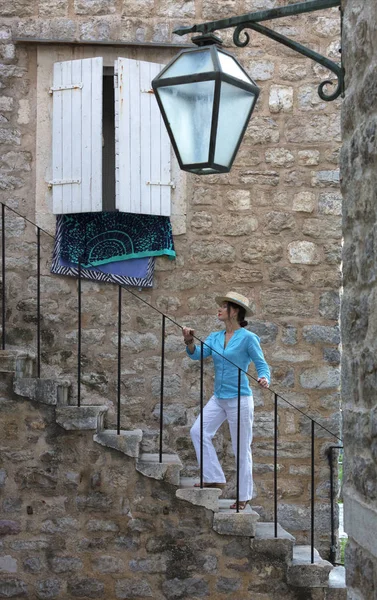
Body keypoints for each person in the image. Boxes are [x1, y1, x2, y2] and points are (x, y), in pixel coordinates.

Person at [182, 292, 270, 510]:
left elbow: (261, 364)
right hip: (219, 397)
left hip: (240, 398)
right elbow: (197, 355)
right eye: (220, 306)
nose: (219, 309)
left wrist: (264, 377)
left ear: (235, 311)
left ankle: (243, 496)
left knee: (242, 448)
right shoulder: (214, 336)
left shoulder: (248, 338)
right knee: (198, 431)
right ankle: (214, 477)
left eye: (223, 307)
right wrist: (189, 341)